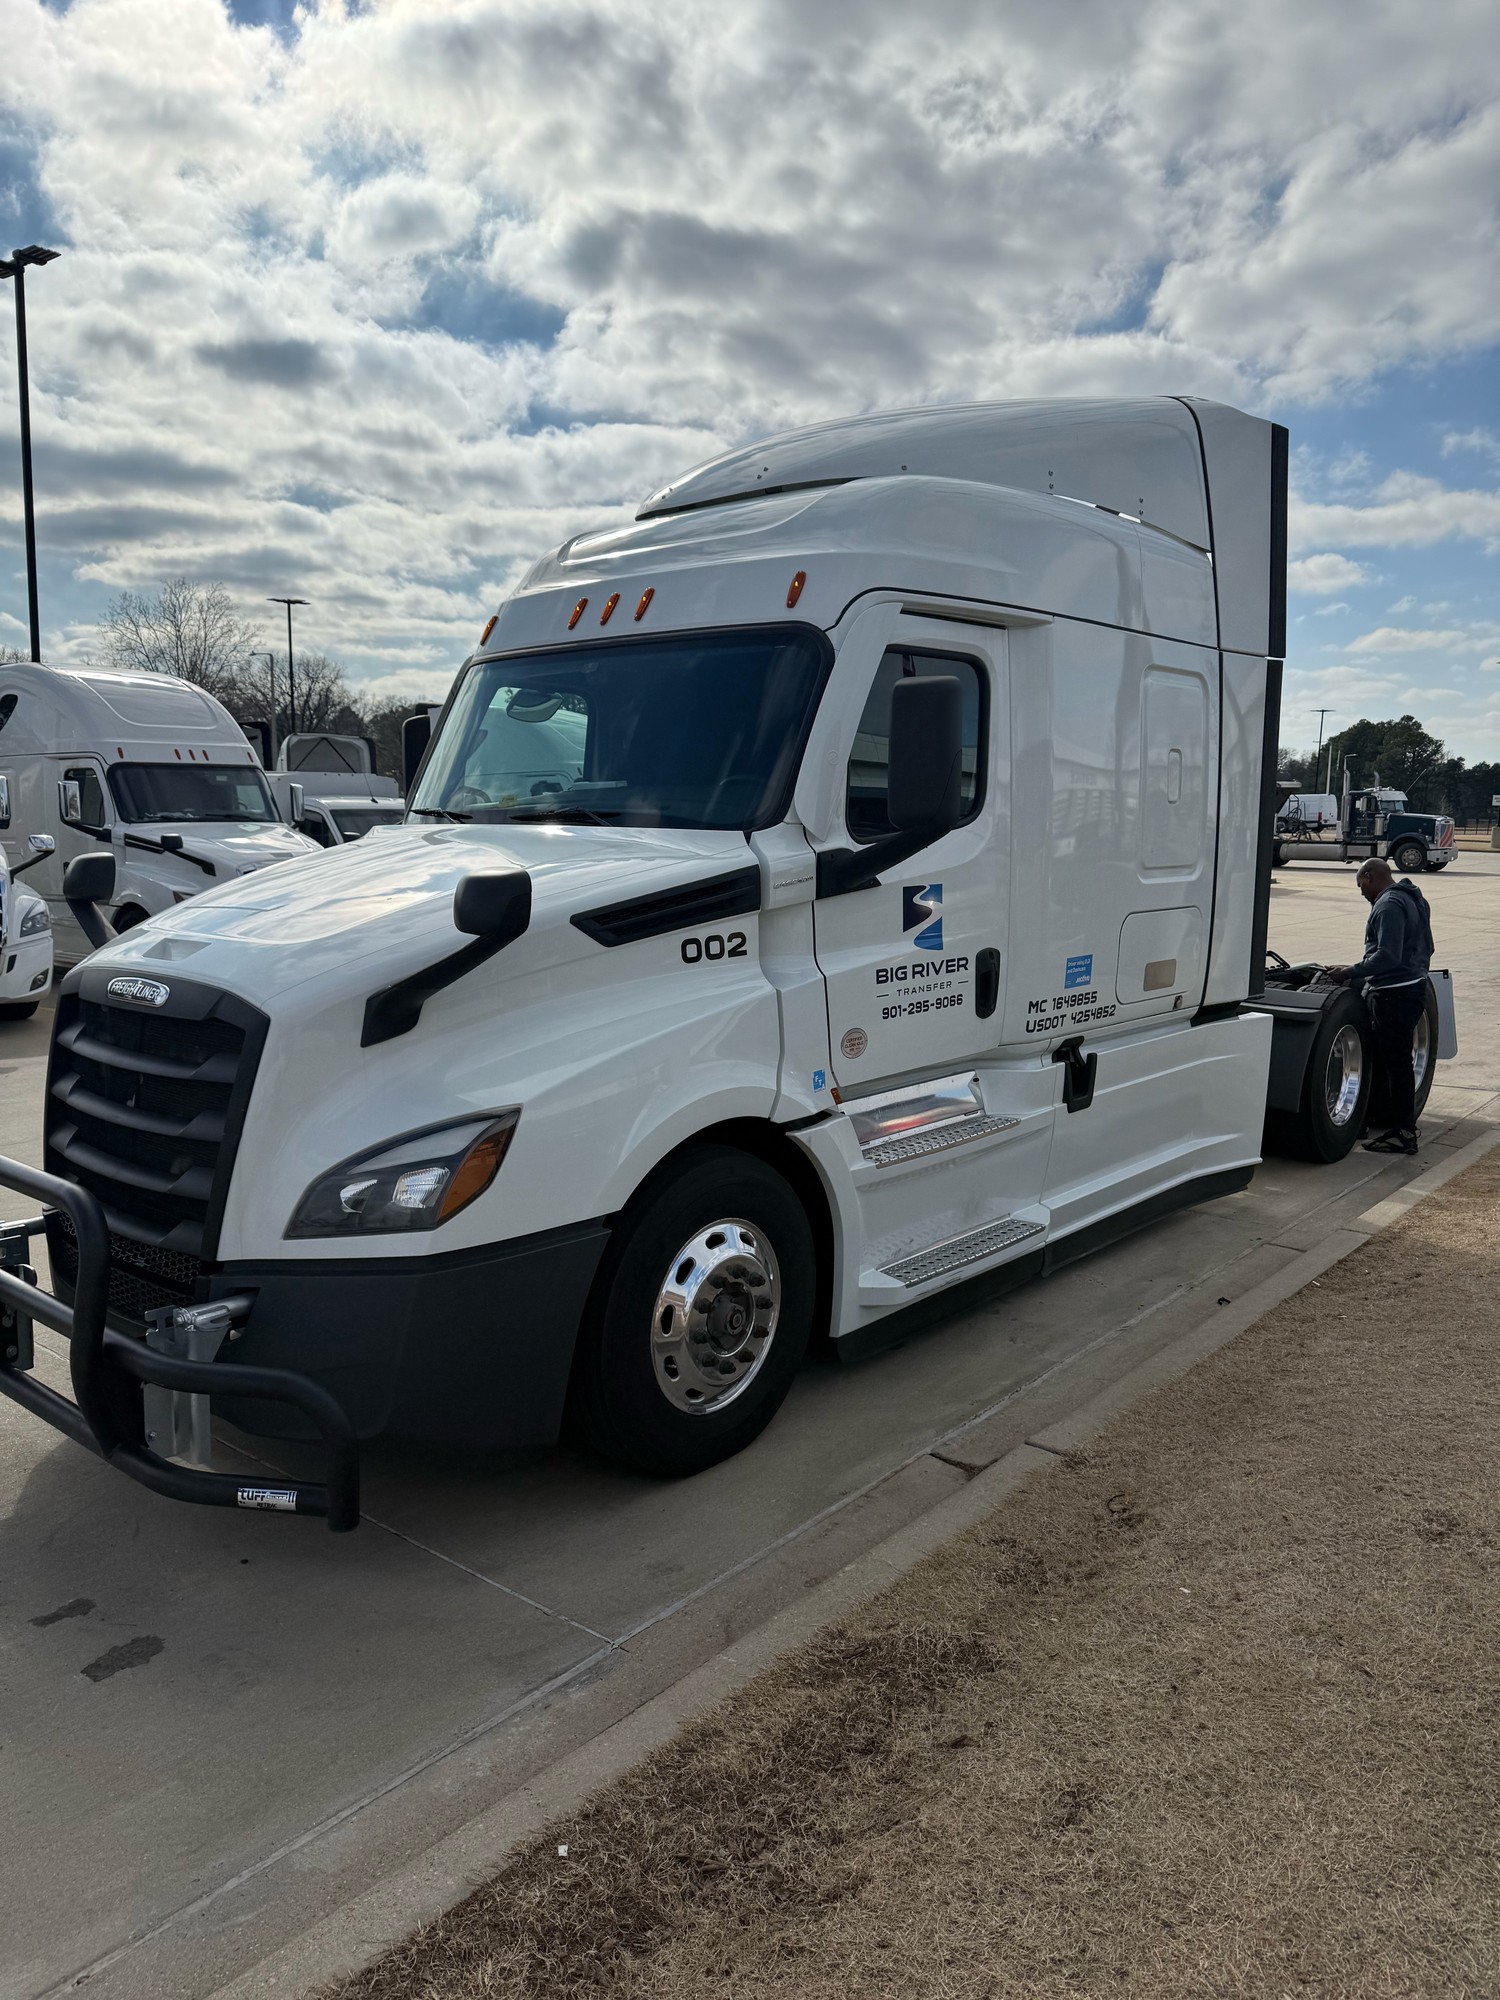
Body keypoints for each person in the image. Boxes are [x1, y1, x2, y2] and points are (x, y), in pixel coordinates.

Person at [1327, 858, 1434, 1156]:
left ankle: (1403, 1133)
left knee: (1396, 1065)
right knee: (1396, 1062)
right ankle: (1395, 1126)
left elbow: (1387, 956)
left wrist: (1349, 972)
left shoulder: (1387, 906)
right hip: (1411, 989)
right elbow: (1428, 947)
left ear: (1370, 875)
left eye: (1360, 884)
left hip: (1392, 996)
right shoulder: (1415, 899)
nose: (1361, 892)